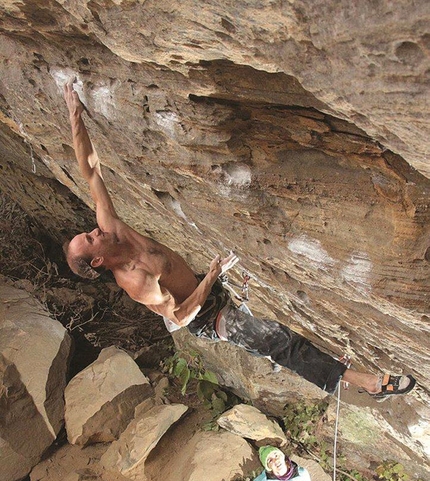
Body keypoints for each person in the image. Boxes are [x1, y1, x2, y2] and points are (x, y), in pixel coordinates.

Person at [62, 79, 416, 400]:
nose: (95, 230)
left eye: (89, 231)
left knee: (280, 335)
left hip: (207, 290)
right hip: (209, 318)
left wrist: (74, 114)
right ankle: (369, 383)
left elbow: (90, 170)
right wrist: (213, 275)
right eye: (91, 239)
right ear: (97, 261)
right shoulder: (134, 281)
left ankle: (337, 367)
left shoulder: (113, 228)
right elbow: (182, 317)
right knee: (279, 343)